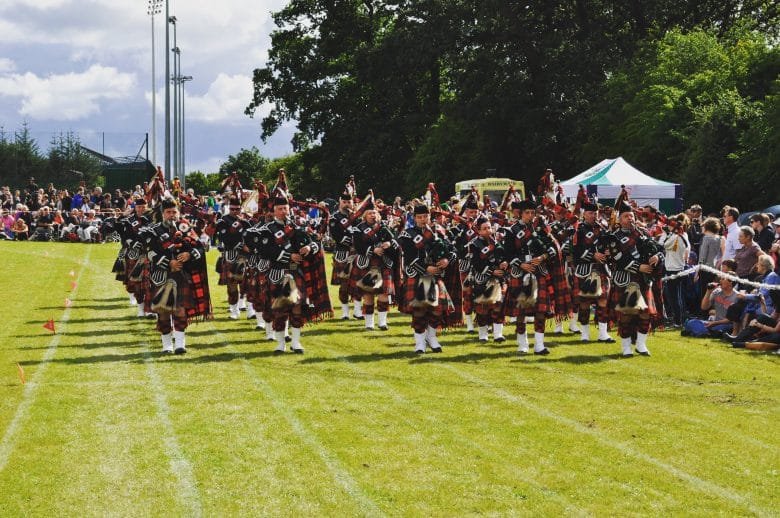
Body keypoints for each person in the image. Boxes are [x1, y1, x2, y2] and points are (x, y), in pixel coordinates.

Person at [255, 194, 326, 354]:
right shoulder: (266, 230)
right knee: (280, 309)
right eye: (279, 209)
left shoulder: (298, 227)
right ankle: (280, 344)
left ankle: (296, 342)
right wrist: (289, 256)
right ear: (273, 211)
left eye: (285, 208)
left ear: (289, 209)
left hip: (296, 273)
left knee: (297, 308)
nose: (283, 211)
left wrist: (309, 248)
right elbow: (265, 251)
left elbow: (316, 241)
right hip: (277, 272)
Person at [141, 198, 211, 354]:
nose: (172, 215)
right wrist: (168, 263)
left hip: (181, 276)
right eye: (168, 212)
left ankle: (180, 344)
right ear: (162, 213)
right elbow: (150, 253)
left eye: (174, 212)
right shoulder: (153, 231)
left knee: (180, 309)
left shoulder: (186, 229)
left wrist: (189, 255)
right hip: (162, 275)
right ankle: (167, 345)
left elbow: (200, 248)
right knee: (163, 311)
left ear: (178, 213)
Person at [502, 199, 559, 355]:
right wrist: (520, 264)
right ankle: (523, 344)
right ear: (520, 213)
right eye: (527, 212)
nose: (531, 215)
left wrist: (542, 257)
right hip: (520, 274)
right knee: (520, 311)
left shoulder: (541, 230)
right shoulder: (511, 230)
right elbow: (507, 253)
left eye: (533, 212)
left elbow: (553, 250)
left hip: (538, 272)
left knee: (541, 311)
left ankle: (539, 345)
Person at [397, 204, 456, 354]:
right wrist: (425, 268)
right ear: (415, 218)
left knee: (437, 310)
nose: (423, 220)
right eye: (419, 217)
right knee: (419, 310)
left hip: (435, 276)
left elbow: (453, 250)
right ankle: (419, 343)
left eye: (425, 216)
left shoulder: (439, 231)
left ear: (430, 216)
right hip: (417, 276)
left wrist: (447, 260)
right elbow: (409, 257)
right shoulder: (407, 234)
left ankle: (431, 337)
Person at [608, 202, 664, 356]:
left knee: (645, 312)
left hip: (643, 280)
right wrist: (638, 267)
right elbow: (617, 258)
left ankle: (641, 345)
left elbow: (660, 250)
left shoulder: (643, 233)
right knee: (627, 314)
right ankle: (626, 347)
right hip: (626, 279)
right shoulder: (614, 237)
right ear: (619, 219)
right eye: (626, 216)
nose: (630, 219)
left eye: (631, 216)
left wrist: (656, 257)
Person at [350, 196, 399, 331]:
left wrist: (389, 243)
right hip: (367, 263)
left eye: (375, 213)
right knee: (368, 294)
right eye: (370, 213)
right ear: (365, 215)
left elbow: (395, 240)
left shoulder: (384, 227)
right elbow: (358, 246)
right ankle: (369, 324)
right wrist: (373, 250)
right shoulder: (358, 228)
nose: (373, 215)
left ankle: (382, 322)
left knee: (384, 294)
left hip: (384, 262)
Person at [572, 200, 615, 343]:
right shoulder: (578, 230)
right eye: (591, 213)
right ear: (584, 214)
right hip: (585, 269)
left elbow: (607, 245)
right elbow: (576, 251)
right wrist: (593, 255)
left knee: (603, 300)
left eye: (595, 213)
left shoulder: (602, 228)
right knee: (584, 302)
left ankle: (603, 333)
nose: (593, 216)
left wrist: (608, 252)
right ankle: (584, 333)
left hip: (601, 269)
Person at [468, 217, 507, 343]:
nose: (488, 230)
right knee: (482, 309)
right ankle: (483, 335)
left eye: (489, 227)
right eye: (484, 229)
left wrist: (504, 263)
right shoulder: (474, 244)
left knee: (498, 307)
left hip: (497, 279)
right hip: (481, 279)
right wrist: (491, 271)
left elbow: (502, 255)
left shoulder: (496, 241)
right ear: (478, 231)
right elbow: (476, 264)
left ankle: (498, 334)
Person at [216, 197, 251, 320]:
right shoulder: (223, 222)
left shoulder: (246, 222)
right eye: (232, 209)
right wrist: (243, 245)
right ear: (228, 208)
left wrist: (249, 246)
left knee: (247, 284)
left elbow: (251, 237)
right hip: (231, 256)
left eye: (237, 209)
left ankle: (250, 309)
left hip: (245, 257)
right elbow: (226, 240)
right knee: (232, 284)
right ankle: (234, 310)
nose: (235, 211)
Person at [330, 191, 362, 320]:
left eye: (349, 202)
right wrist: (352, 242)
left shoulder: (357, 218)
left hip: (357, 253)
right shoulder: (334, 218)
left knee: (358, 282)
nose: (347, 204)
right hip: (342, 253)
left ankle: (357, 310)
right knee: (344, 284)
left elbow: (362, 232)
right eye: (345, 202)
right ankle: (344, 312)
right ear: (340, 202)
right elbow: (336, 235)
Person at [662, 213, 691, 328]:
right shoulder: (684, 235)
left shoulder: (677, 236)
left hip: (673, 268)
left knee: (674, 297)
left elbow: (664, 245)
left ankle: (678, 321)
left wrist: (667, 234)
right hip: (678, 266)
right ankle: (679, 320)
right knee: (677, 296)